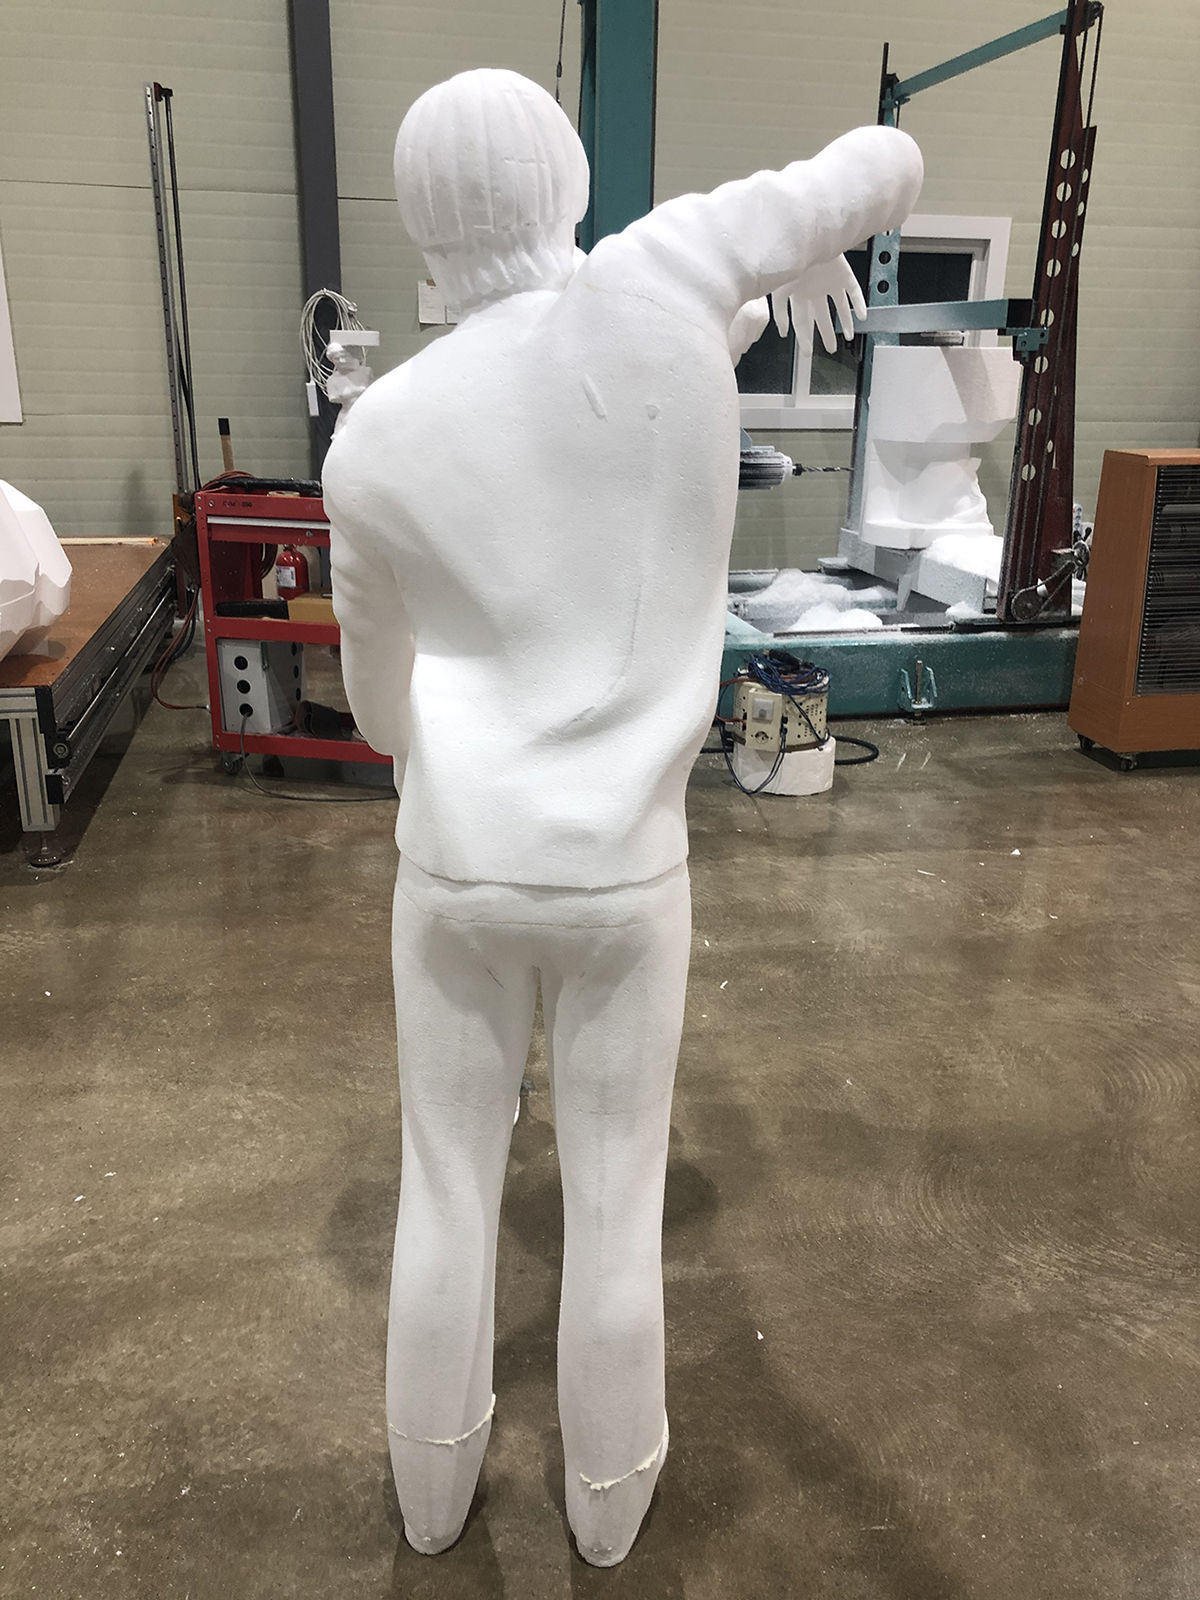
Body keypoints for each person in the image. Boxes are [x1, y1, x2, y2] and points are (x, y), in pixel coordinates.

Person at [323, 66, 921, 1567]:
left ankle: (432, 1495)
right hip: (624, 876)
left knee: (445, 1185)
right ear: (570, 183)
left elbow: (379, 717)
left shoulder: (374, 435)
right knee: (614, 1199)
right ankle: (605, 1505)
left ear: (418, 224)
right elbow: (887, 160)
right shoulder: (670, 281)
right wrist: (793, 249)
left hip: (455, 868)